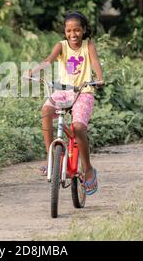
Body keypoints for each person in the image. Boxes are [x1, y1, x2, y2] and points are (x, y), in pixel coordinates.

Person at [27, 11, 104, 196]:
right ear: (65, 31)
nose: (73, 34)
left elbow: (94, 61)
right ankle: (50, 158)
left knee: (78, 127)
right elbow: (48, 60)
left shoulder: (88, 45)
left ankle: (87, 168)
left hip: (83, 91)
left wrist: (99, 78)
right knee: (46, 110)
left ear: (84, 30)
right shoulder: (61, 46)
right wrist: (34, 70)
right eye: (69, 30)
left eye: (77, 30)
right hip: (63, 90)